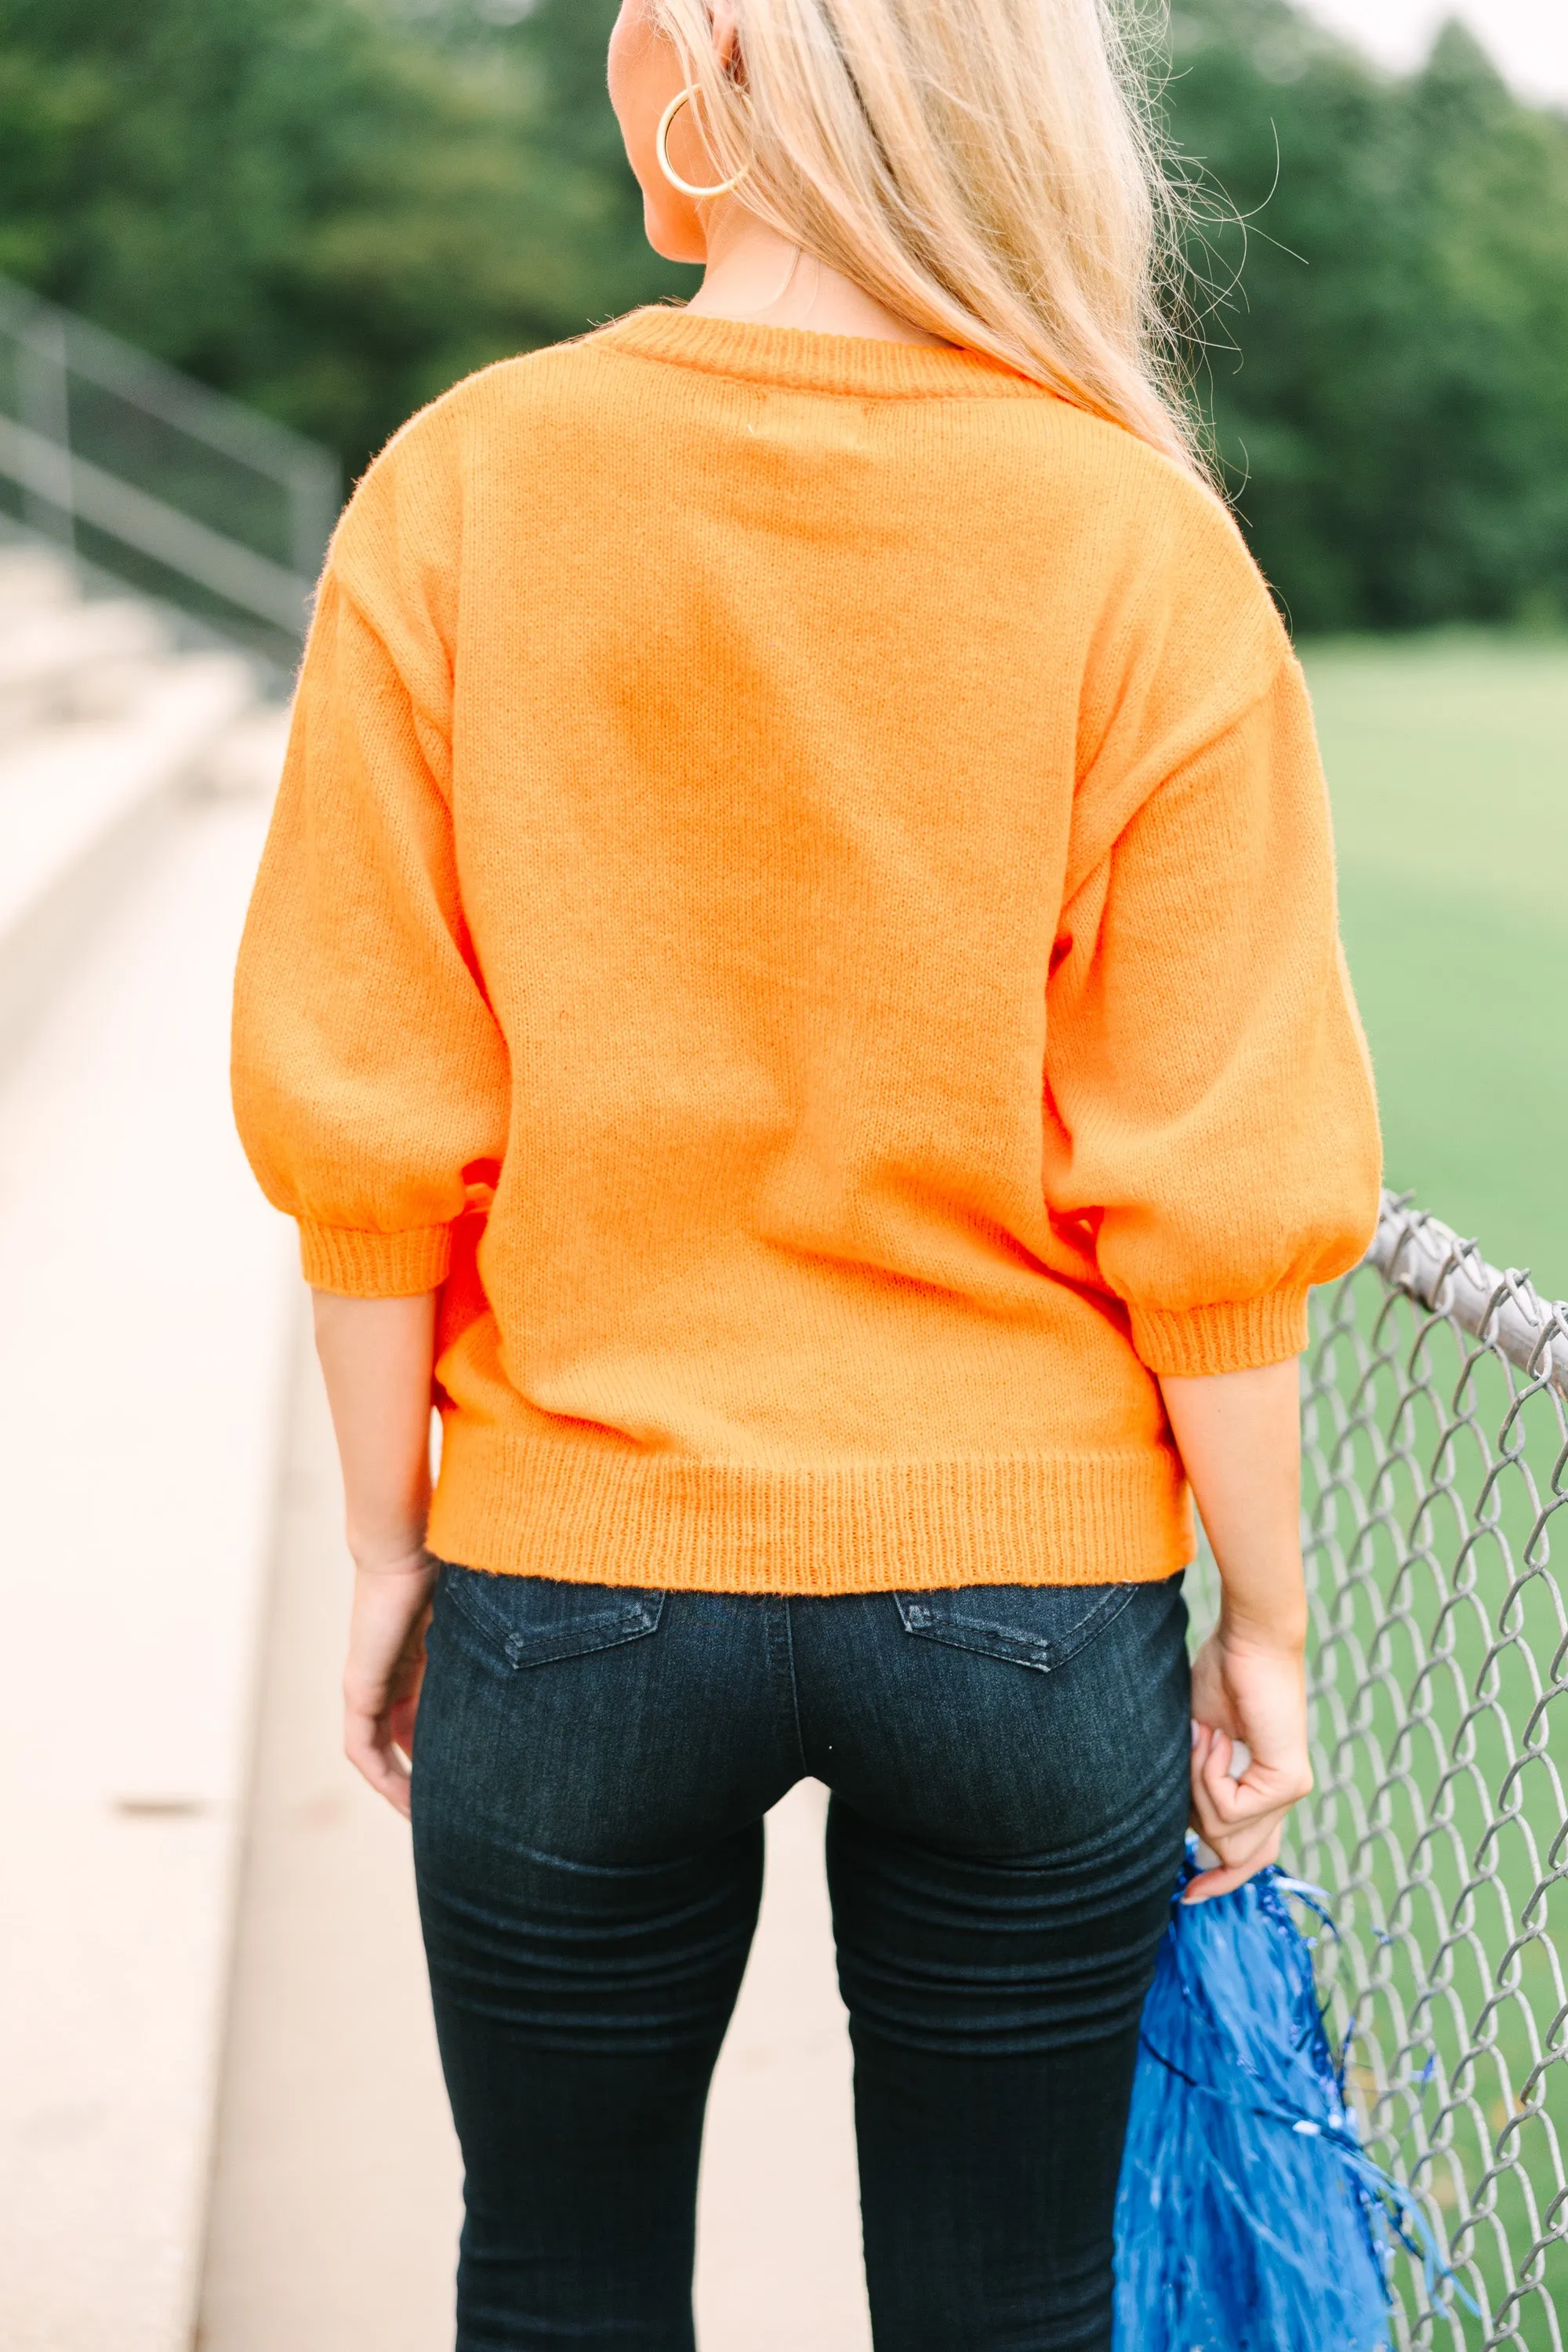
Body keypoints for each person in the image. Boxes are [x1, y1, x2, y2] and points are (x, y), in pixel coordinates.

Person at [231, 0, 1382, 2343]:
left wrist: (385, 1540)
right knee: (1012, 2300)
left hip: (574, 1570)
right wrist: (1260, 1619)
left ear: (715, 59)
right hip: (1029, 1597)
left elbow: (373, 1109)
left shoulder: (462, 484)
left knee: (555, 2282)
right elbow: (1212, 1187)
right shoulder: (1136, 538)